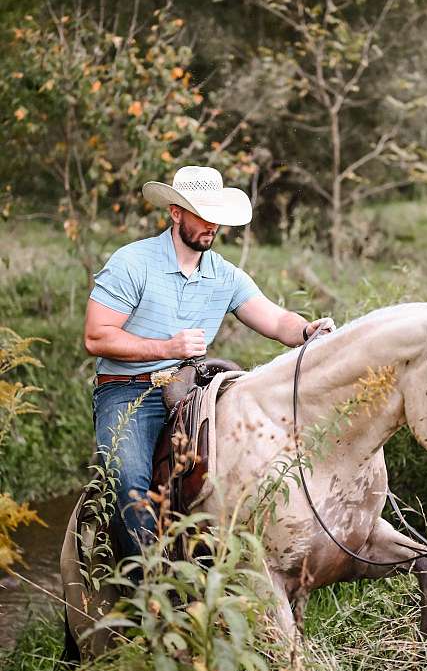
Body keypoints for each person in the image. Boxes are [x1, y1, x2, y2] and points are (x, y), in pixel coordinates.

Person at [84, 165, 335, 561]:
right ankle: (145, 593)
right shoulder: (132, 262)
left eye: (216, 216)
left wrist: (308, 330)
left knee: (257, 462)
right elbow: (97, 337)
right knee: (129, 485)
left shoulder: (224, 275)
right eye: (202, 214)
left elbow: (275, 320)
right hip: (129, 391)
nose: (212, 225)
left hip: (194, 388)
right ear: (176, 213)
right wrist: (167, 347)